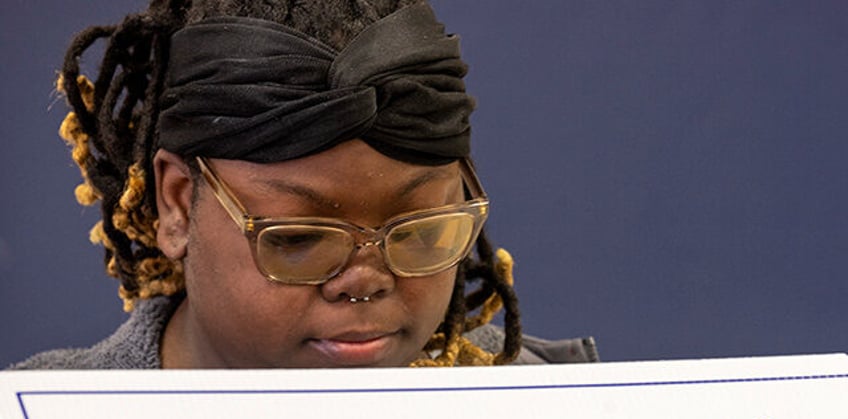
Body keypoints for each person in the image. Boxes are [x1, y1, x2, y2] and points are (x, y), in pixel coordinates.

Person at [10, 0, 598, 370]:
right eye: (297, 239)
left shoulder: (566, 416)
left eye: (422, 232)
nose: (365, 282)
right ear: (178, 205)